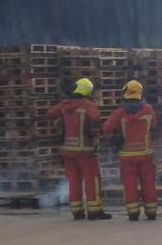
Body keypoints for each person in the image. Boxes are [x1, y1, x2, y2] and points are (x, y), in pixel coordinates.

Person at [45, 77, 112, 220]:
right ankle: (94, 211)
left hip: (68, 151)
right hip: (85, 151)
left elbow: (50, 113)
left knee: (73, 181)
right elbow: (95, 121)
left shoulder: (65, 104)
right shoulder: (88, 105)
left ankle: (77, 211)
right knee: (91, 179)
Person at [102, 80, 158, 221]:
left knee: (129, 183)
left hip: (127, 155)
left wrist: (115, 136)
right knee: (148, 182)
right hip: (145, 154)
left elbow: (106, 128)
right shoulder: (148, 110)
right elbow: (154, 125)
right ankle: (151, 212)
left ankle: (133, 213)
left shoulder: (120, 112)